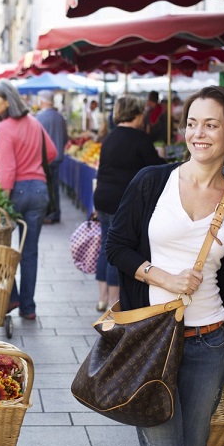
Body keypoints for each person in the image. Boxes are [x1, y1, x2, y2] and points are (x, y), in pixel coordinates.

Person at [106, 86, 224, 446]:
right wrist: (162, 277)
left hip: (208, 342)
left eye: (211, 124)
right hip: (151, 339)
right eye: (192, 123)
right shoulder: (152, 181)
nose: (199, 133)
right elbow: (116, 246)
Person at [0, 80, 57, 320]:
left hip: (15, 191)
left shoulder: (5, 127)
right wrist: (32, 162)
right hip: (39, 191)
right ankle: (28, 307)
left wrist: (1, 205)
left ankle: (12, 297)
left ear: (7, 101)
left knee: (2, 249)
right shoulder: (34, 123)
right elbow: (52, 153)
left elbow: (7, 170)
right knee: (29, 252)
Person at [93, 95, 164, 312]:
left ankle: (102, 297)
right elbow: (157, 168)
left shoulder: (109, 137)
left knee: (106, 247)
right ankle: (115, 300)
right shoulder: (139, 138)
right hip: (121, 201)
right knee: (119, 249)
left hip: (103, 198)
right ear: (137, 113)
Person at [35, 90, 68, 224]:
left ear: (42, 101)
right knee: (54, 186)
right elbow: (65, 138)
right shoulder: (60, 117)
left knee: (48, 186)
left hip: (46, 158)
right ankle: (55, 212)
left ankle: (50, 213)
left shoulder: (40, 118)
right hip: (58, 156)